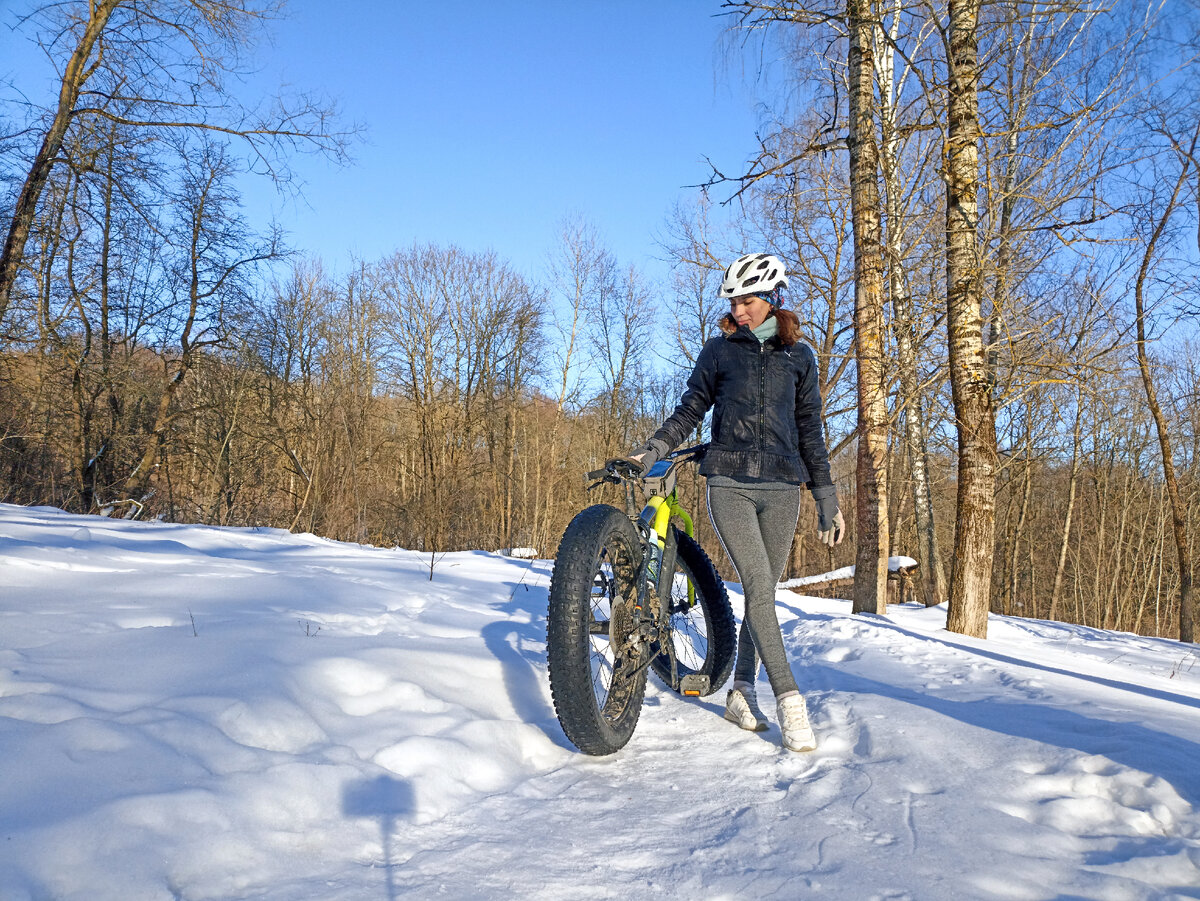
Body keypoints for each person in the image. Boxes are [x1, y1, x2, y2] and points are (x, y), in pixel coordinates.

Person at [629, 252, 844, 753]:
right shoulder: (719, 352)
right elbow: (690, 410)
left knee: (763, 591)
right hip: (729, 482)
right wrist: (654, 449)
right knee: (757, 584)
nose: (738, 309)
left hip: (783, 487)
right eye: (734, 300)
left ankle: (741, 691)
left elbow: (811, 429)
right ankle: (790, 699)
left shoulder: (801, 358)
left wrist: (826, 498)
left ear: (772, 299)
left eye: (747, 300)